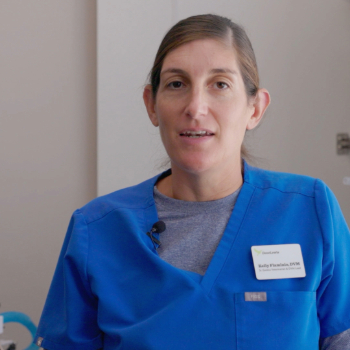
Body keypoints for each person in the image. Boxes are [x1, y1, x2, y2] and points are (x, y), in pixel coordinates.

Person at [34, 14, 350, 350]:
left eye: (220, 84)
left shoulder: (309, 209)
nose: (196, 107)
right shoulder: (97, 230)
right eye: (176, 84)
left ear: (254, 109)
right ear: (151, 105)